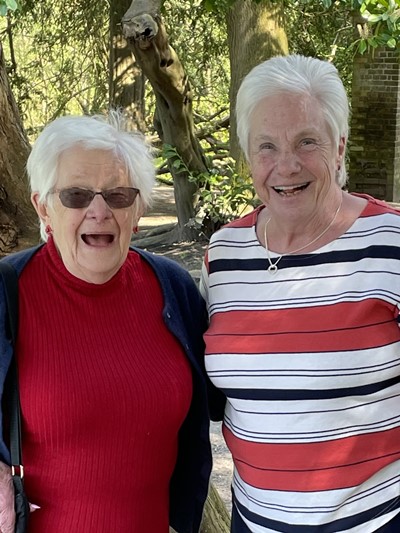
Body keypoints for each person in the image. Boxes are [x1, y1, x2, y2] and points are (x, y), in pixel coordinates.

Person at [200, 54, 400, 532]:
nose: (285, 166)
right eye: (265, 146)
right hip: (255, 521)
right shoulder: (223, 253)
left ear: (339, 148)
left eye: (307, 141)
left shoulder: (390, 243)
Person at [0, 110, 214, 533]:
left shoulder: (174, 288)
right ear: (43, 207)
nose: (99, 210)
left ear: (137, 209)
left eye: (117, 195)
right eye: (76, 195)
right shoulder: (7, 294)